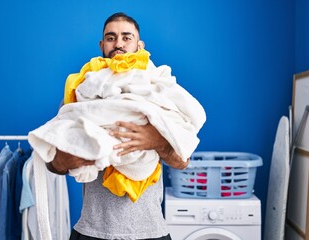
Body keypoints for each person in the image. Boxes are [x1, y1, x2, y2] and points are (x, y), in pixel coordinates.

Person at [46, 12, 197, 240]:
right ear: (102, 45)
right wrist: (67, 160)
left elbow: (182, 161)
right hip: (91, 231)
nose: (119, 44)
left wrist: (156, 141)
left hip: (150, 231)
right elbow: (53, 163)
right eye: (111, 37)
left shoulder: (157, 89)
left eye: (127, 37)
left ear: (139, 44)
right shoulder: (81, 92)